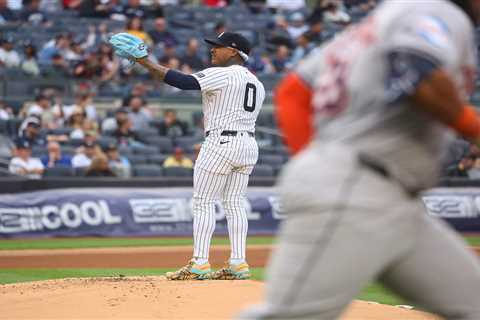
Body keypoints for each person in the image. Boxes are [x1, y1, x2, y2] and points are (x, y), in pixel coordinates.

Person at [239, 0, 480, 319]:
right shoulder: (439, 10)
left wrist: (315, 164)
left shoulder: (383, 18)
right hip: (356, 185)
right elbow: (416, 70)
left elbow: (294, 92)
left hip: (392, 200)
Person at [109, 31, 265, 280]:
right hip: (247, 145)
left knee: (203, 202)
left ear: (234, 51)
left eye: (218, 46)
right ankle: (238, 263)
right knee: (235, 203)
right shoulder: (256, 82)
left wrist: (143, 60)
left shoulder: (223, 74)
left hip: (221, 142)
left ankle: (200, 264)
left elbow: (181, 82)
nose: (212, 49)